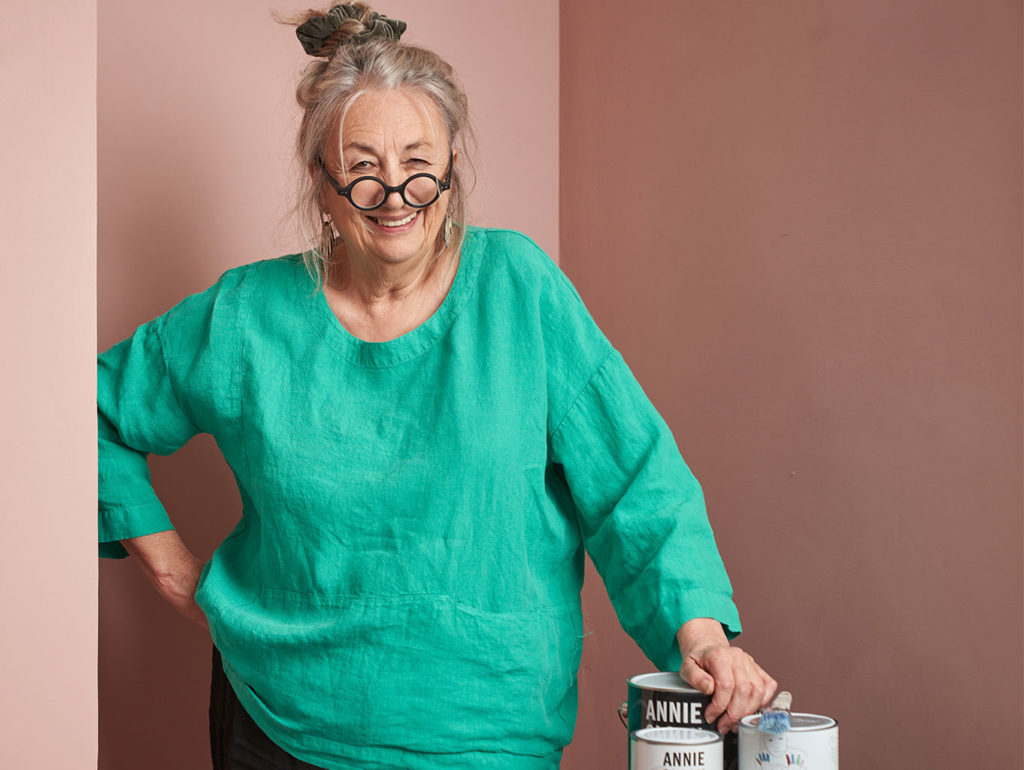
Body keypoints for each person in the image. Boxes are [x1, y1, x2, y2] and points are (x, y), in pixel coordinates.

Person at [97, 4, 777, 768]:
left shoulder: (520, 290)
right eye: (361, 170)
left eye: (419, 163)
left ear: (452, 171)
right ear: (321, 189)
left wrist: (701, 634)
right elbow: (92, 412)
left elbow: (635, 481)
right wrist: (170, 567)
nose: (395, 194)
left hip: (484, 734)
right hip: (279, 724)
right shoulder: (245, 315)